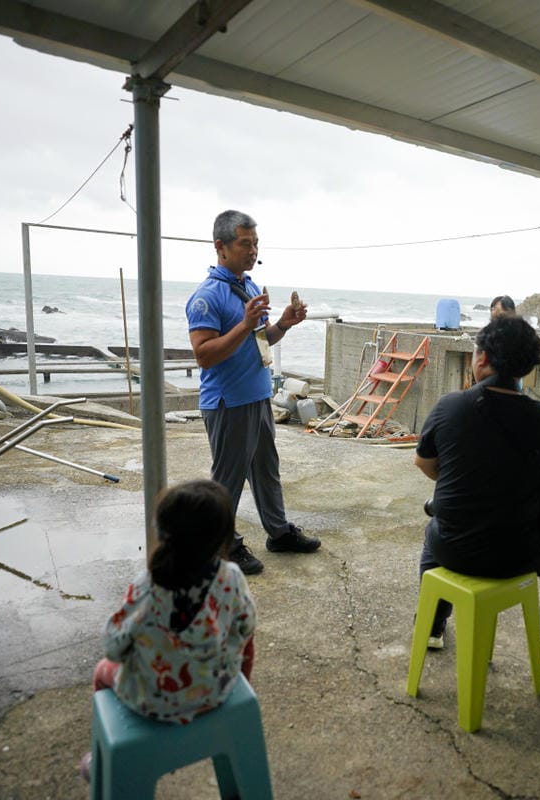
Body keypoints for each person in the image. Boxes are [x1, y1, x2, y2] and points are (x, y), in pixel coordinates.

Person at [414, 315, 540, 673]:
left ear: (481, 359)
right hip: (519, 553)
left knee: (436, 530)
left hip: (453, 547)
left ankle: (431, 628)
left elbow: (424, 463)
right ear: (526, 368)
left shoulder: (449, 406)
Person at [80, 480, 257, 780]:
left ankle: (101, 758)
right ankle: (238, 700)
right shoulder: (232, 577)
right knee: (248, 641)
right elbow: (246, 627)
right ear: (224, 538)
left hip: (151, 702)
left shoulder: (147, 589)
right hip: (216, 691)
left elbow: (113, 648)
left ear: (162, 533)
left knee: (101, 670)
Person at [186, 209, 321, 575]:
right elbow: (204, 355)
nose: (252, 250)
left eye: (256, 243)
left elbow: (261, 341)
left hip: (257, 395)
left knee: (266, 471)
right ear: (221, 247)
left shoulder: (247, 287)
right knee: (227, 480)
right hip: (229, 402)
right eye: (245, 243)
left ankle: (278, 532)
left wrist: (283, 325)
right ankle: (222, 545)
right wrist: (245, 324)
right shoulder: (207, 296)